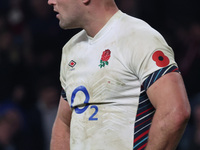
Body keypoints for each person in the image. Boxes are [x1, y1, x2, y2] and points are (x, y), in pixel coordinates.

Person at [47, 0, 191, 149]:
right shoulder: (70, 49)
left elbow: (174, 112)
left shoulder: (139, 37)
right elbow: (63, 124)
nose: (50, 1)